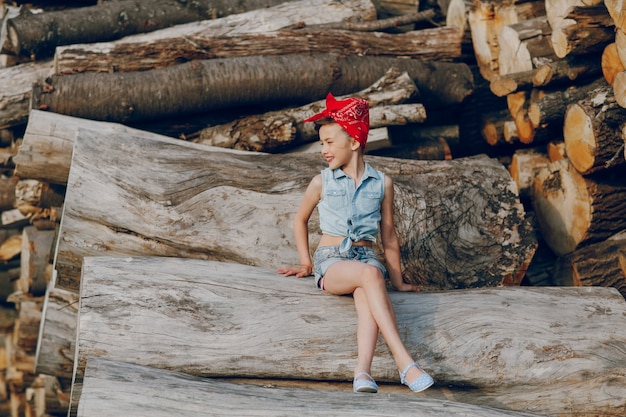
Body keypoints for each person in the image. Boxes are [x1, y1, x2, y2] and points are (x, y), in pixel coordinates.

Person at [277, 93, 434, 394]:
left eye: (329, 142)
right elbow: (300, 220)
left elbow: (388, 234)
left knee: (367, 293)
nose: (323, 149)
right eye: (321, 142)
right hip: (331, 260)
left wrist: (398, 282)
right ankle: (405, 362)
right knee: (371, 275)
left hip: (365, 258)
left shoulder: (381, 183)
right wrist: (307, 263)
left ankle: (362, 372)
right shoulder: (322, 181)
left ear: (354, 142)